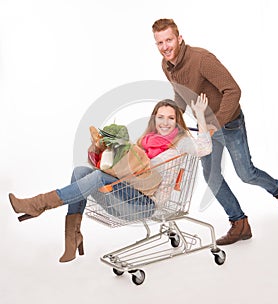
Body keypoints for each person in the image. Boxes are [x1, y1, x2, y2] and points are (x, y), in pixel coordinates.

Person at [8, 97, 212, 262]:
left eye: (171, 118)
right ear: (154, 119)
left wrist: (201, 117)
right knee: (80, 171)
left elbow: (204, 149)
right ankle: (73, 237)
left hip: (148, 203)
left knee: (97, 177)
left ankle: (38, 204)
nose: (165, 123)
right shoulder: (145, 140)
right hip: (129, 193)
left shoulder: (182, 141)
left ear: (177, 121)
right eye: (161, 117)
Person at [152, 18, 278, 246]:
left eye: (168, 40)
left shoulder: (201, 59)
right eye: (159, 42)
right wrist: (171, 120)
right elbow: (180, 94)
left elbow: (233, 91)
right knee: (212, 176)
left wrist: (214, 125)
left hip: (229, 123)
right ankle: (239, 224)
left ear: (179, 38)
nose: (165, 47)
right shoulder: (166, 65)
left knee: (245, 173)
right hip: (204, 126)